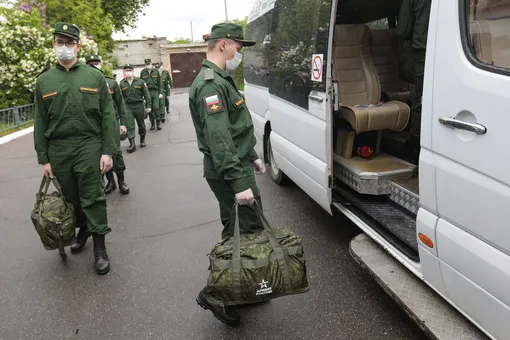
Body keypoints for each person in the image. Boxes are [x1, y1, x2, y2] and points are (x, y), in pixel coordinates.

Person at [189, 22, 266, 326]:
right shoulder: (210, 83)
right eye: (238, 46)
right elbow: (220, 140)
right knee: (246, 228)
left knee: (237, 226)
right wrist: (239, 182)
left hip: (235, 164)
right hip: (228, 171)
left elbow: (234, 129)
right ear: (223, 45)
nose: (240, 52)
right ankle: (216, 293)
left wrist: (253, 156)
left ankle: (239, 286)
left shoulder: (221, 78)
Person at [33, 22, 116, 275]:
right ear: (53, 44)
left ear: (78, 46)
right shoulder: (44, 80)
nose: (65, 47)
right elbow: (40, 120)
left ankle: (100, 247)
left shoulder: (94, 77)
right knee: (70, 198)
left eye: (70, 42)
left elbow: (107, 116)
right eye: (60, 42)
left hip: (89, 145)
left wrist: (107, 150)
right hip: (59, 148)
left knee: (92, 194)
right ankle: (83, 229)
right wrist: (44, 158)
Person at [85, 54, 130, 195]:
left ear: (100, 64)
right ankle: (111, 182)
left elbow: (120, 104)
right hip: (94, 125)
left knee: (115, 152)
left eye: (96, 62)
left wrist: (123, 123)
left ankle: (121, 181)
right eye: (91, 63)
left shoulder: (110, 82)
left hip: (111, 123)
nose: (94, 65)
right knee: (101, 153)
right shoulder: (85, 83)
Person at [397, 0, 432, 163]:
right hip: (454, 50)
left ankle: (416, 146)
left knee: (422, 100)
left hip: (424, 52)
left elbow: (403, 29)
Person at [120, 64, 152, 152]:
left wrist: (148, 106)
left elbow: (146, 94)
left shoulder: (140, 82)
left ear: (133, 71)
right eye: (126, 70)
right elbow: (120, 98)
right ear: (124, 72)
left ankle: (142, 140)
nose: (128, 72)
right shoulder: (122, 83)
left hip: (139, 105)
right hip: (128, 106)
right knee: (129, 125)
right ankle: (132, 144)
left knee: (141, 124)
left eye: (129, 70)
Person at [140, 58, 164, 130]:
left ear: (151, 64)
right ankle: (152, 124)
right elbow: (141, 83)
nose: (148, 65)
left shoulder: (156, 71)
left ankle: (158, 124)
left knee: (156, 107)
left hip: (155, 92)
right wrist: (142, 96)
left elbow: (160, 83)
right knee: (150, 109)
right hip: (147, 92)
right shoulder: (143, 72)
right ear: (145, 65)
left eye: (149, 64)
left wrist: (160, 93)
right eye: (146, 64)